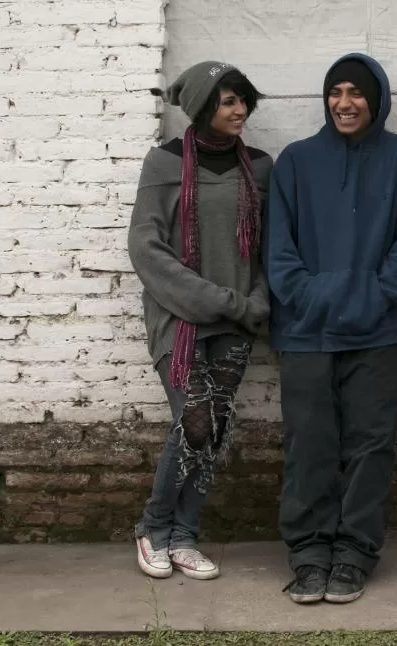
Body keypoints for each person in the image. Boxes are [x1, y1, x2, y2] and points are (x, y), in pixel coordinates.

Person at [265, 53, 397, 604]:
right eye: (335, 91)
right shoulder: (294, 162)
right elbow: (279, 253)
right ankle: (310, 555)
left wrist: (374, 296)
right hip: (305, 332)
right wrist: (313, 297)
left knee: (370, 446)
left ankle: (355, 554)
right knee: (309, 446)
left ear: (377, 99)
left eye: (356, 92)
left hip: (375, 331)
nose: (345, 102)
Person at [127, 61, 272, 580]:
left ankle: (186, 536)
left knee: (215, 429)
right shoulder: (163, 164)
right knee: (195, 419)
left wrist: (255, 301)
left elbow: (264, 250)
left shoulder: (260, 166)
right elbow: (146, 248)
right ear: (201, 107)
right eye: (227, 101)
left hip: (235, 321)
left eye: (242, 100)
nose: (239, 110)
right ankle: (153, 527)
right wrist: (219, 298)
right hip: (178, 319)